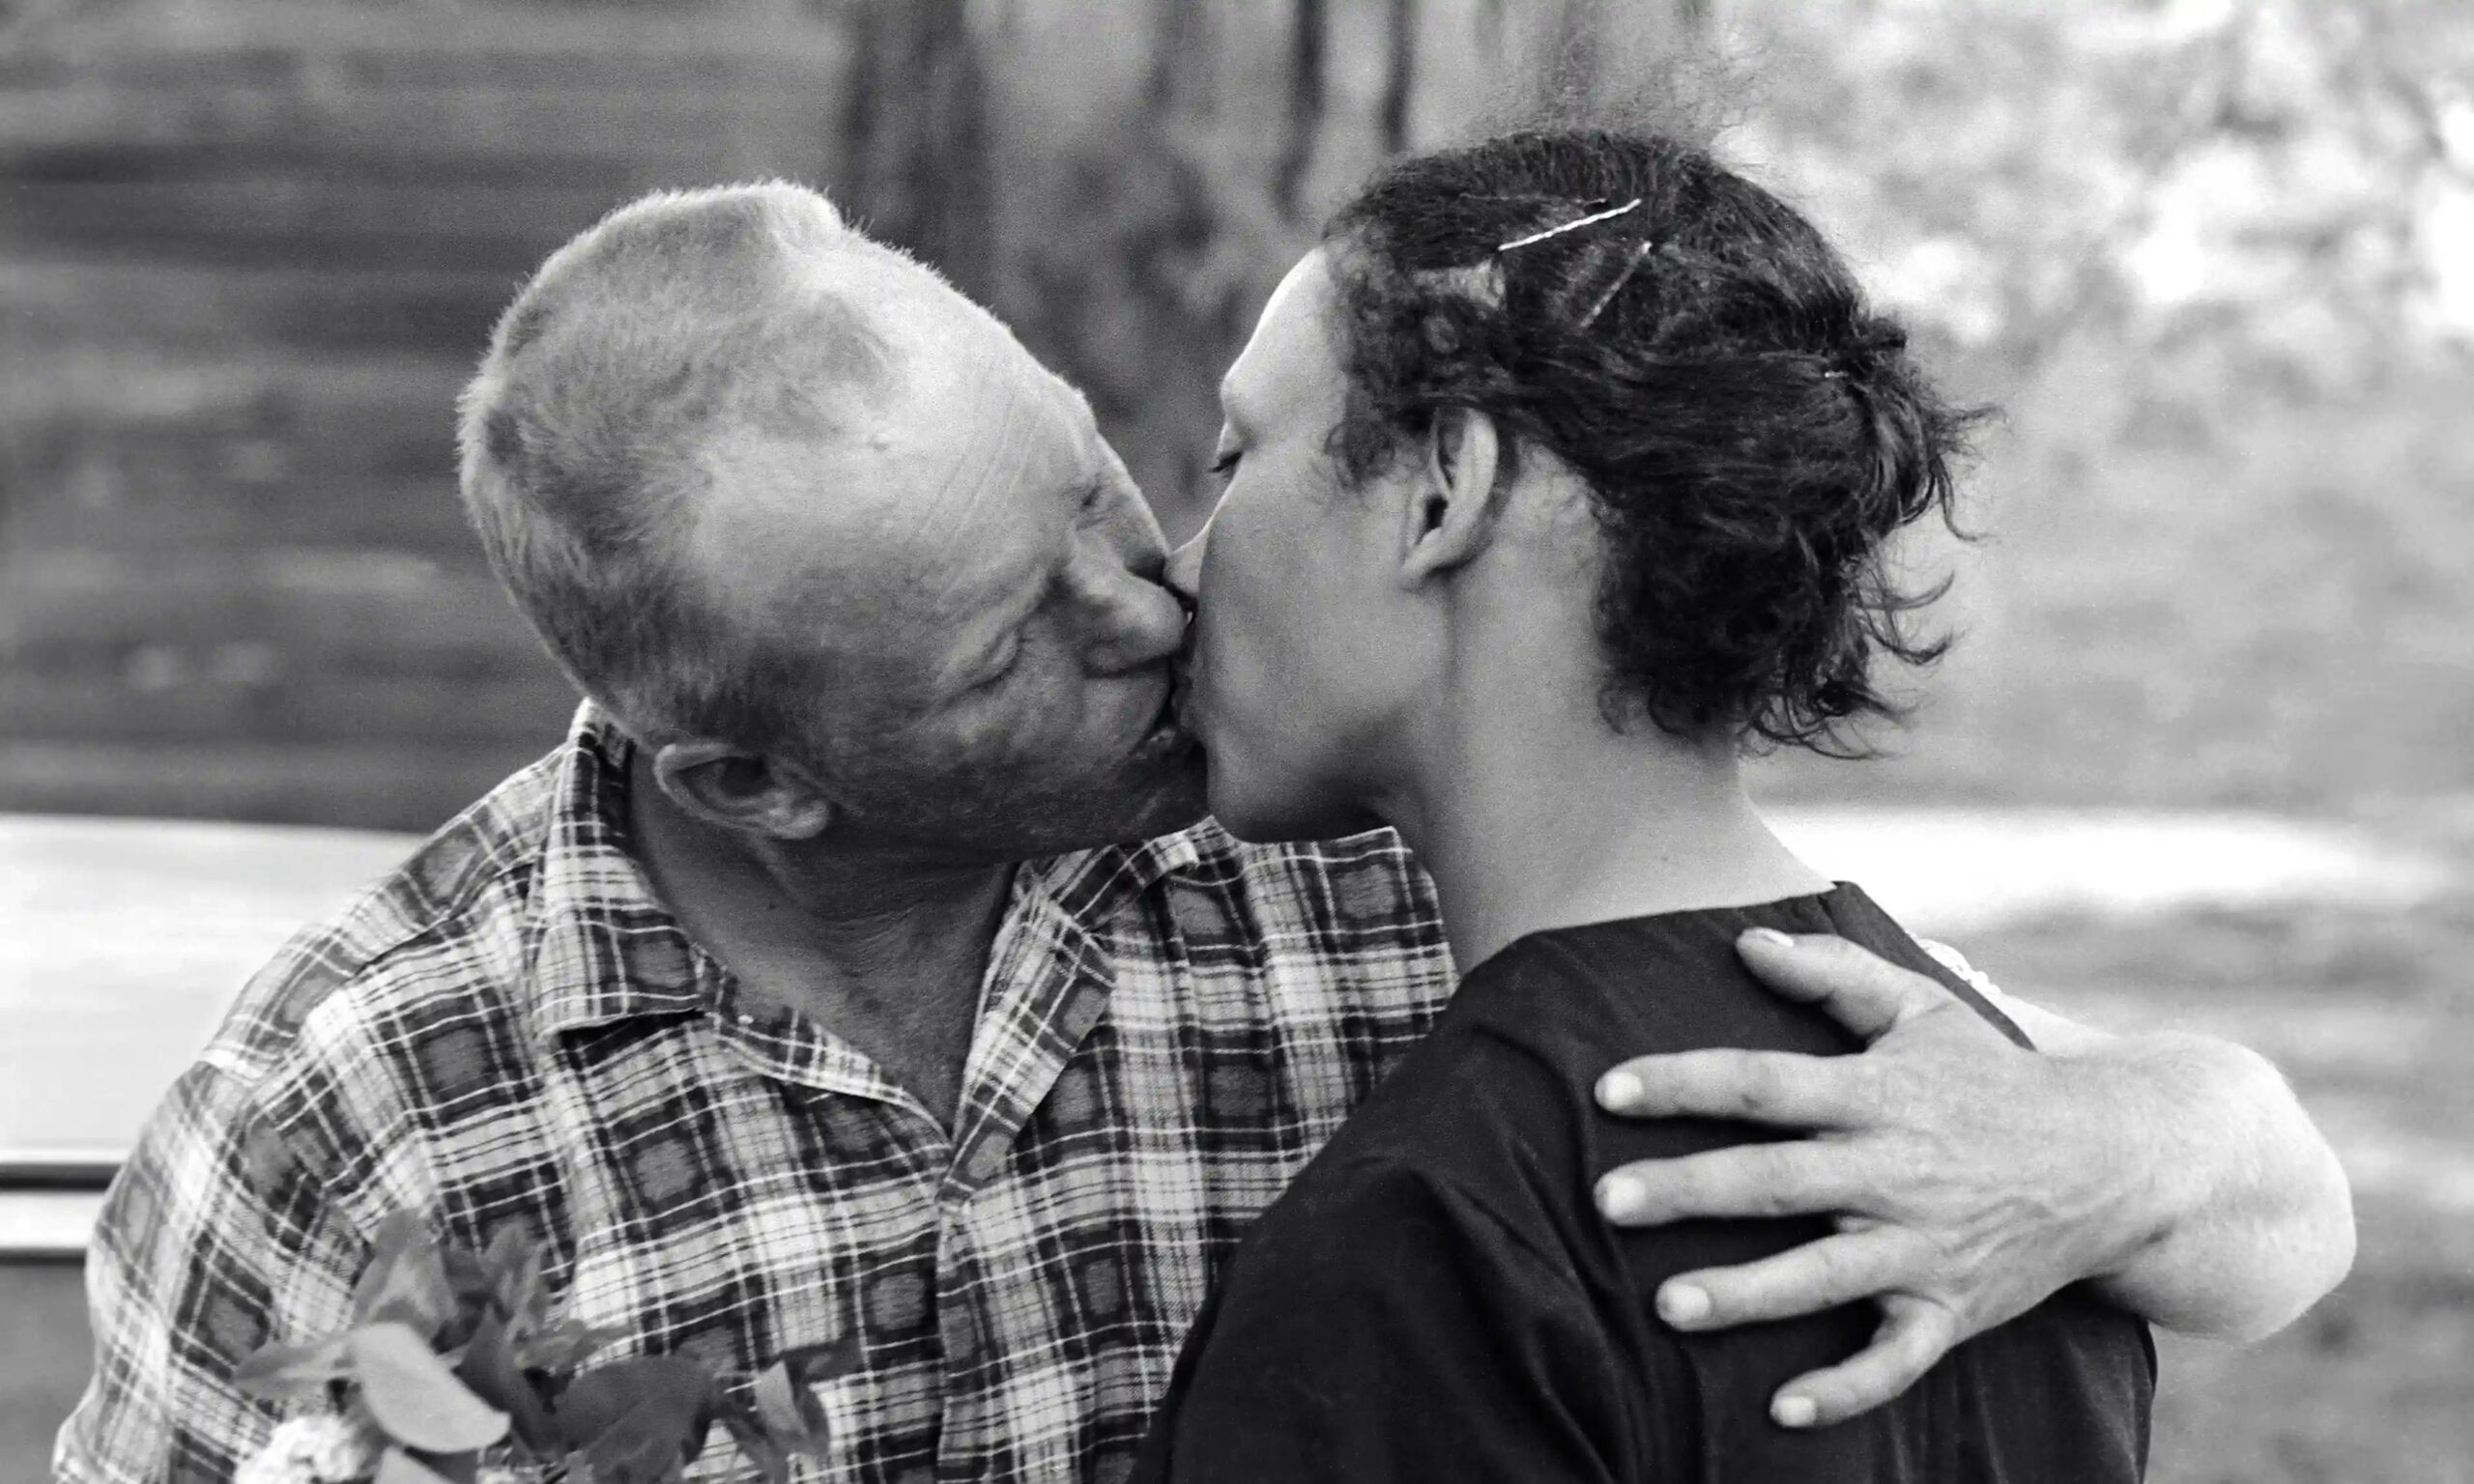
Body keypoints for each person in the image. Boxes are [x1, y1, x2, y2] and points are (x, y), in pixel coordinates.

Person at [58, 182, 2350, 1484]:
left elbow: (2259, 1213)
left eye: (1099, 483)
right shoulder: (349, 1131)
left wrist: (2129, 1138)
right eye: (1014, 643)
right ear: (755, 777)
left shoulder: (1374, 854)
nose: (1149, 606)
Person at [1132, 128, 2165, 1483]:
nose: (1180, 574)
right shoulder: (2008, 1151)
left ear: (1444, 488)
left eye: (1234, 459)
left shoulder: (1429, 1237)